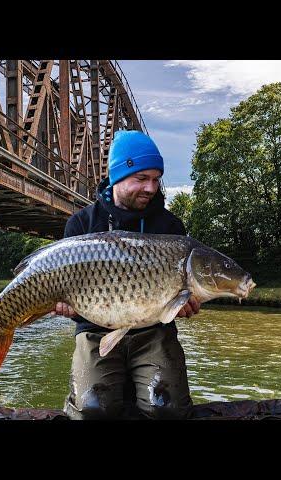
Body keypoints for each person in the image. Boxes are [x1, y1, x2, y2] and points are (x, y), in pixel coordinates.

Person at [54, 130, 200, 420]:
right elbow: (68, 297)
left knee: (167, 411)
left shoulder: (170, 227)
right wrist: (67, 307)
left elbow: (178, 298)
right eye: (141, 178)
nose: (151, 187)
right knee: (93, 411)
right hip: (96, 330)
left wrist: (182, 304)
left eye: (156, 179)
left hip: (153, 331)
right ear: (118, 176)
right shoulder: (81, 223)